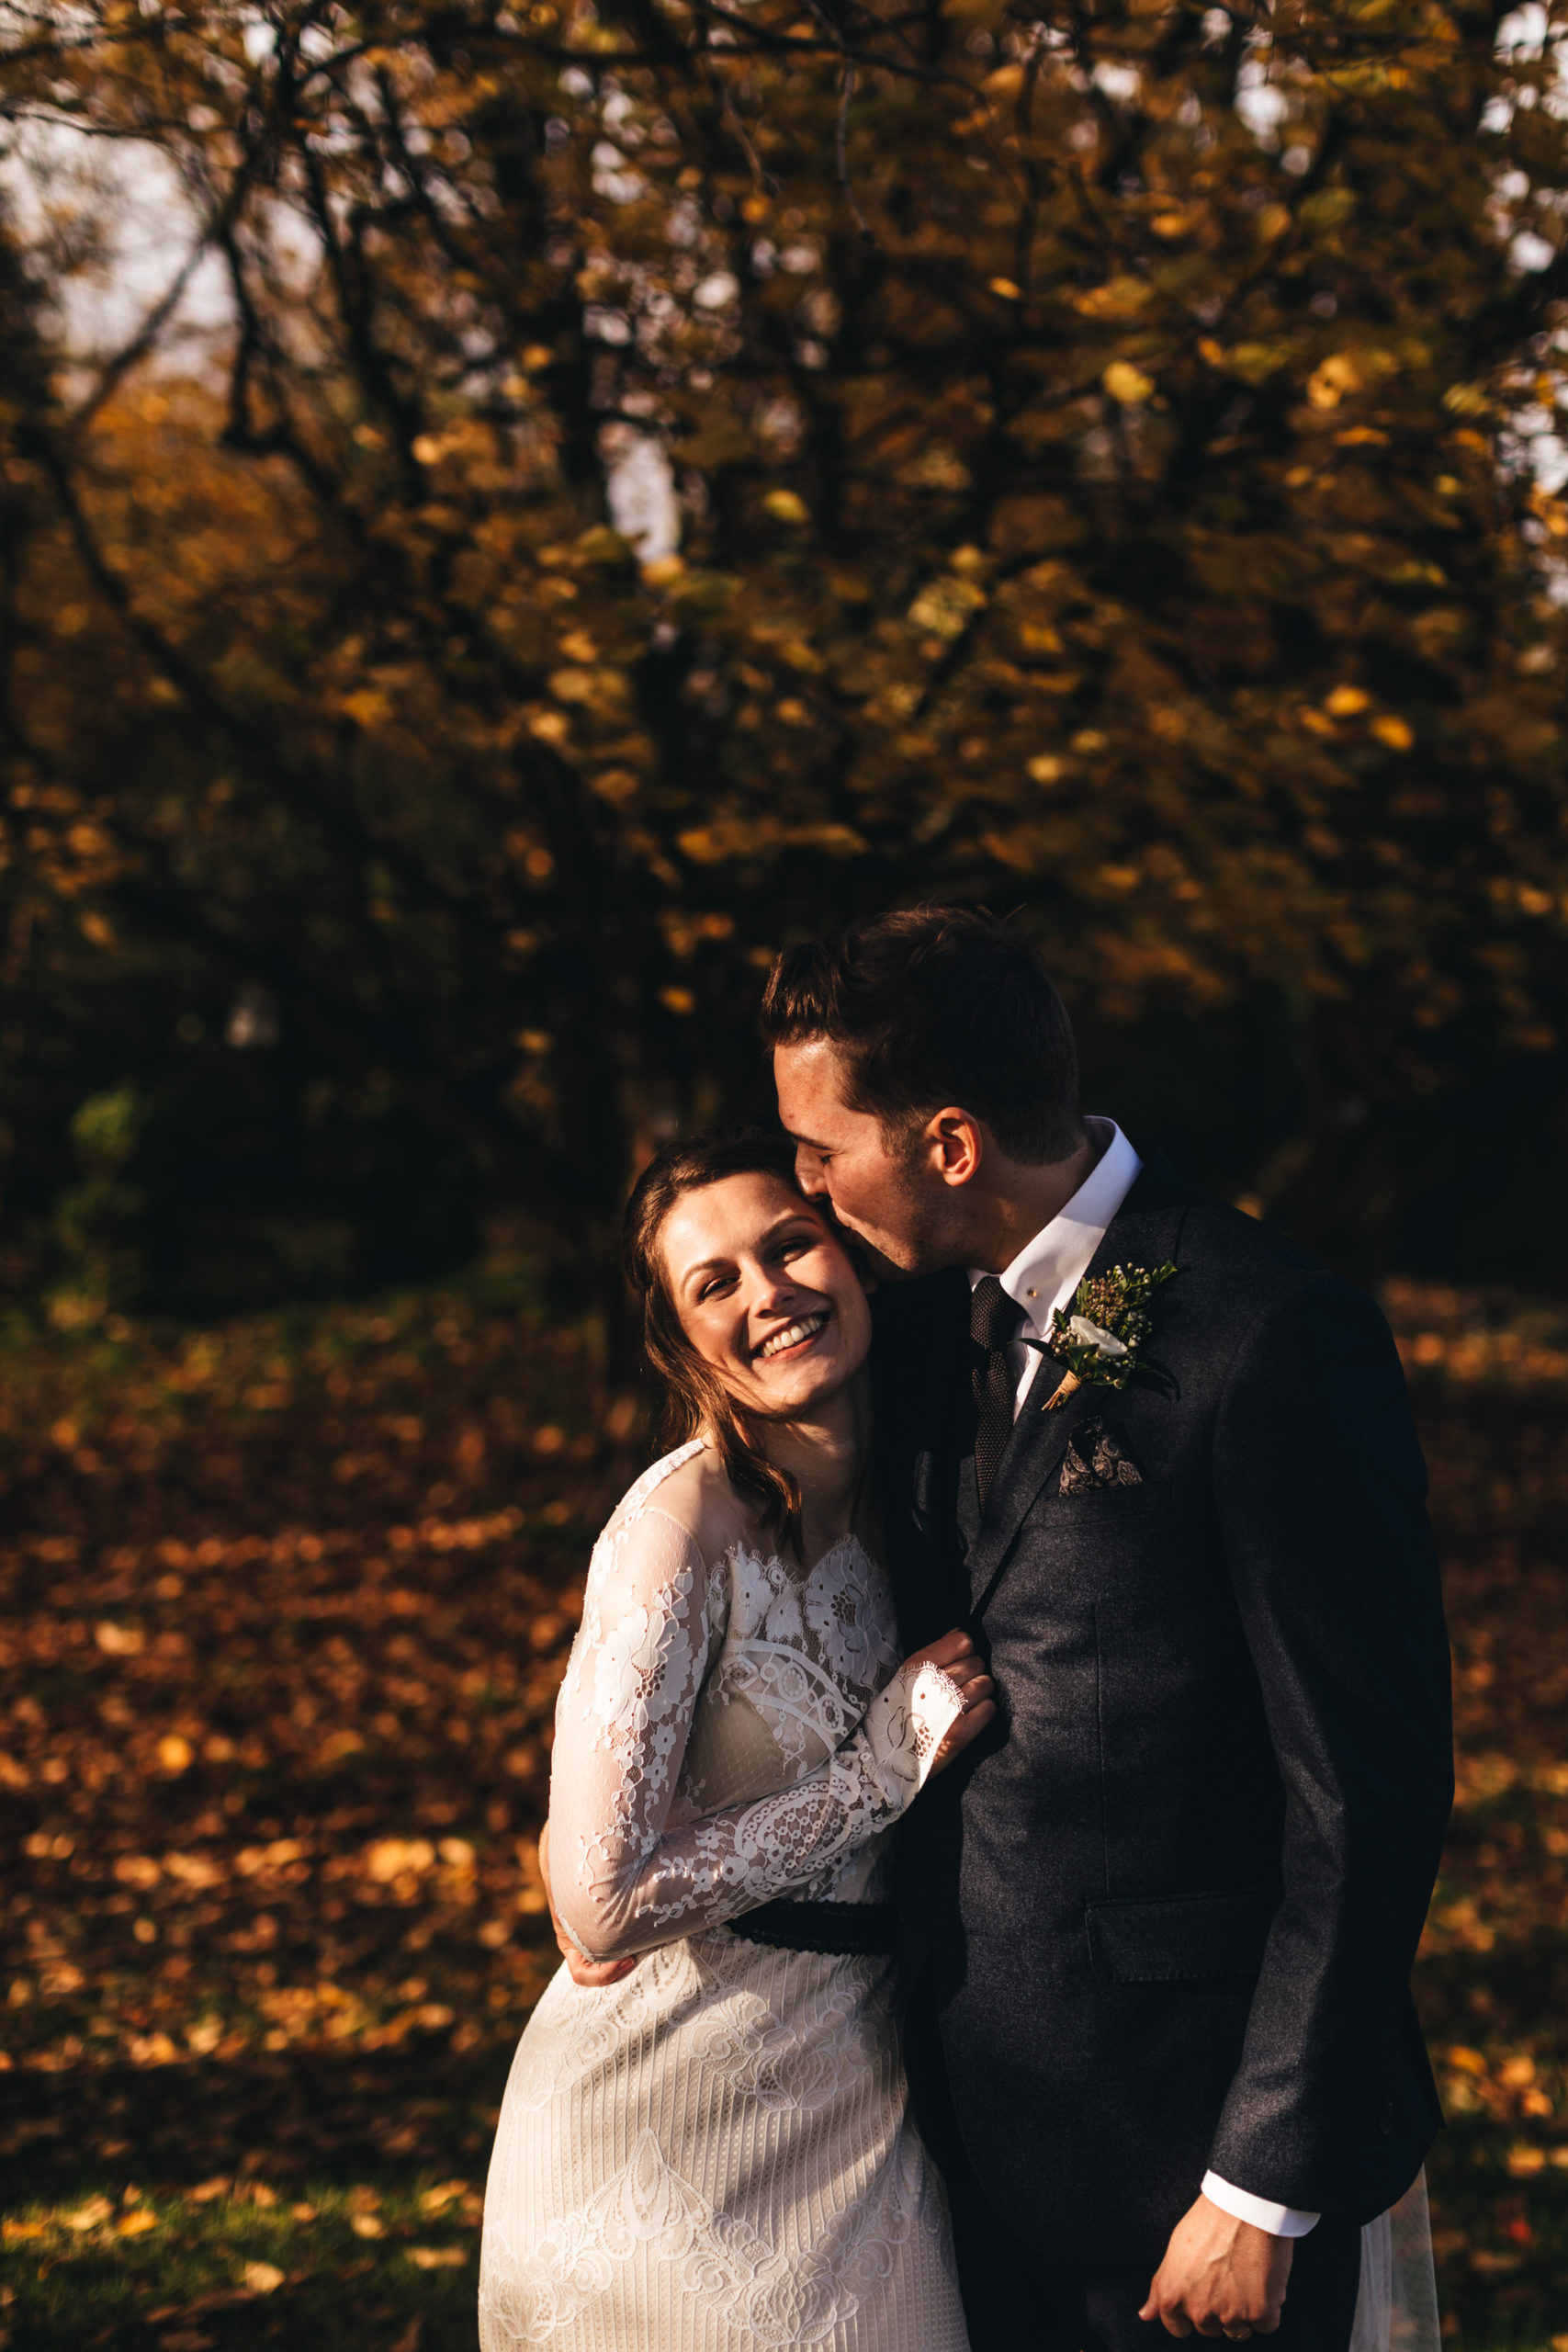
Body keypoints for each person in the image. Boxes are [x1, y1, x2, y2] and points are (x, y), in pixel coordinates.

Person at [761, 907, 1452, 2352]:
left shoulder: (1264, 1338)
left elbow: (1363, 1792)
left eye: (824, 1149)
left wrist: (1259, 2186)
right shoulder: (939, 1330)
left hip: (1190, 2162)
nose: (807, 1186)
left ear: (949, 1142)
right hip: (974, 2143)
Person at [477, 1128, 991, 2352]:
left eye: (791, 1244)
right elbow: (598, 1904)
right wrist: (874, 1777)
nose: (770, 1295)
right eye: (717, 1284)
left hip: (864, 2100)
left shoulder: (927, 1496)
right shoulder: (678, 1529)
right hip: (659, 2122)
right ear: (681, 1339)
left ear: (853, 1254)